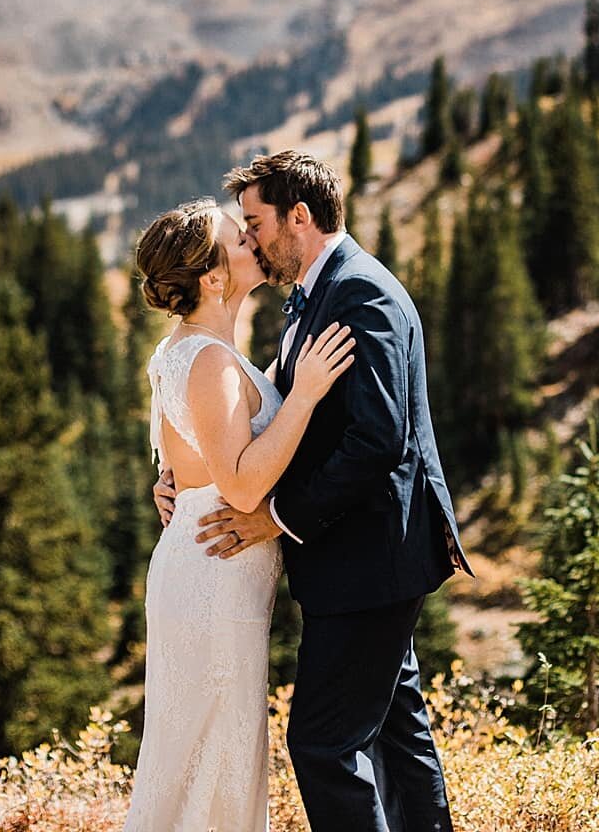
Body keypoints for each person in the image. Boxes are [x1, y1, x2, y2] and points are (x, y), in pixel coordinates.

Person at [161, 150, 471, 831]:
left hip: (371, 559)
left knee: (323, 744)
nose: (250, 238)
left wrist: (276, 518)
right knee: (395, 734)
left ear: (297, 217)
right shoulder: (311, 295)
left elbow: (378, 440)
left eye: (256, 223)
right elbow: (271, 416)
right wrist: (189, 484)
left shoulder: (361, 291)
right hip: (351, 559)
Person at [123, 197, 355, 832]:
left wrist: (173, 484)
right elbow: (245, 487)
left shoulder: (198, 352)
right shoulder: (209, 361)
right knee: (210, 754)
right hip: (213, 578)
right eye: (238, 236)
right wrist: (303, 396)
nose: (253, 238)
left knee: (205, 754)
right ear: (214, 278)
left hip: (206, 568)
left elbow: (186, 456)